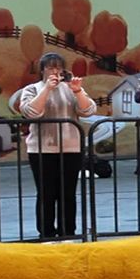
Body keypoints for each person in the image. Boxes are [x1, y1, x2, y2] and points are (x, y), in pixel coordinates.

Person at [10, 53, 95, 240]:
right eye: (50, 67)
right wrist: (47, 89)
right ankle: (47, 234)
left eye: (58, 68)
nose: (55, 71)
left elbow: (88, 110)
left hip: (71, 148)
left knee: (68, 193)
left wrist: (78, 92)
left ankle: (68, 233)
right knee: (46, 193)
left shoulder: (71, 88)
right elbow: (31, 112)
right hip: (41, 150)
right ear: (42, 69)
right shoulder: (32, 89)